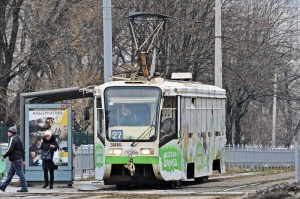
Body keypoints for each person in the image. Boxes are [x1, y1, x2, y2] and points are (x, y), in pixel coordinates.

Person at [0, 126, 28, 192]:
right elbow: (22, 150)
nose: (7, 133)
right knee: (11, 173)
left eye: (8, 131)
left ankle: (24, 187)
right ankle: (3, 187)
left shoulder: (13, 138)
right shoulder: (18, 139)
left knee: (20, 173)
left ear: (11, 132)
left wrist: (4, 156)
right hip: (17, 159)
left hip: (15, 159)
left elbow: (10, 149)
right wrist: (23, 160)